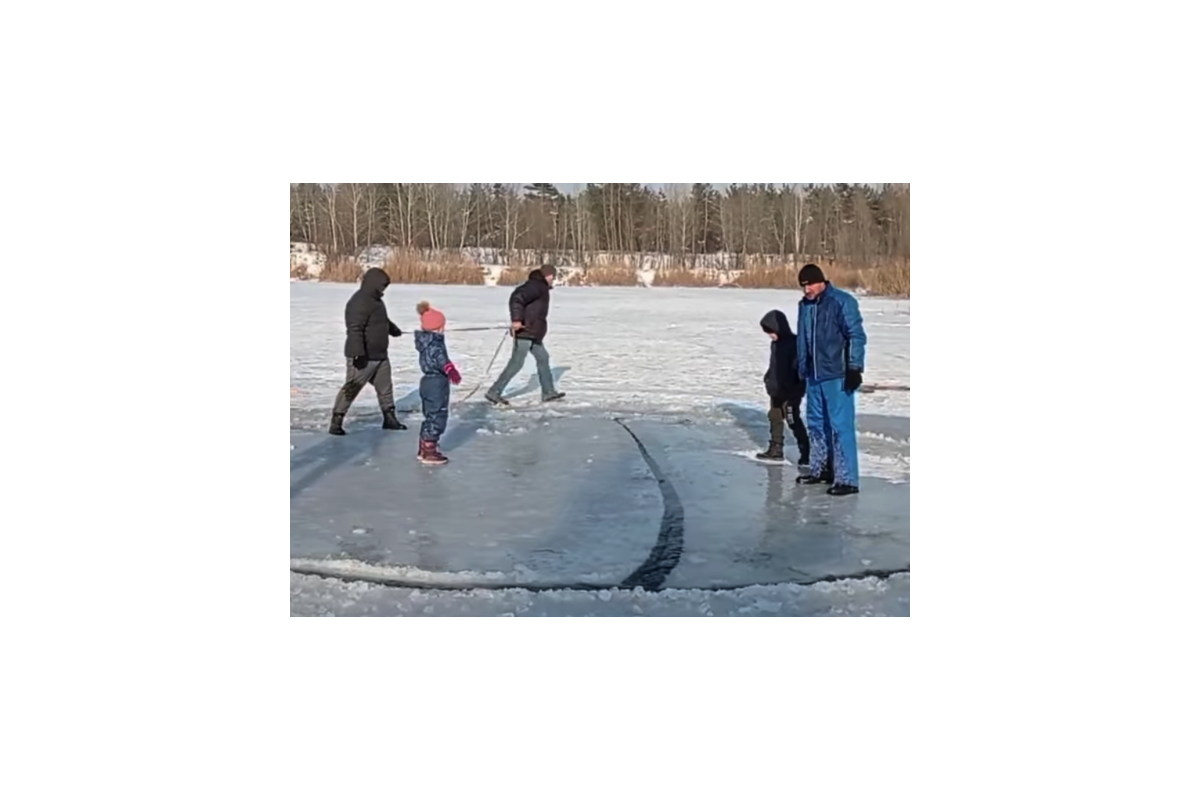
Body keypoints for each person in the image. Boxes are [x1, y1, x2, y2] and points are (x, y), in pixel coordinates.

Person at [794, 264, 867, 495]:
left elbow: (856, 335)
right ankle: (822, 469)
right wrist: (801, 366)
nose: (807, 290)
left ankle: (847, 479)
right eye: (803, 286)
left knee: (840, 425)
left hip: (837, 374)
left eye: (809, 284)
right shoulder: (804, 306)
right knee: (816, 423)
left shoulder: (841, 301)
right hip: (813, 375)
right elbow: (804, 339)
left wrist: (854, 367)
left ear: (821, 281)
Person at [329, 267, 406, 435]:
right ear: (374, 284)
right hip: (363, 356)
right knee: (352, 388)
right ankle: (336, 421)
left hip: (380, 355)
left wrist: (392, 329)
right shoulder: (359, 301)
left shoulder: (376, 300)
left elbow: (381, 320)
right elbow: (354, 329)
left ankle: (390, 419)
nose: (384, 289)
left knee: (385, 388)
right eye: (382, 286)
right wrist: (358, 354)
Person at [485, 265, 565, 405]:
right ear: (548, 275)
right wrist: (517, 320)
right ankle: (494, 391)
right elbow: (517, 298)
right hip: (525, 331)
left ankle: (548, 392)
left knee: (543, 358)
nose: (553, 279)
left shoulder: (540, 287)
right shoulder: (536, 286)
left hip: (533, 333)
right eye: (553, 276)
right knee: (516, 363)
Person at [756, 310, 811, 469]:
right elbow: (775, 366)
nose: (770, 335)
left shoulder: (794, 343)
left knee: (793, 420)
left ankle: (806, 452)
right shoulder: (776, 344)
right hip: (776, 390)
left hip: (791, 391)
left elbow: (798, 368)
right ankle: (775, 449)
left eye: (770, 331)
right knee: (774, 417)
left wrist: (794, 386)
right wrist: (768, 378)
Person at [412, 300, 461, 465]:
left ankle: (423, 447)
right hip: (436, 382)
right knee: (438, 415)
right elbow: (441, 359)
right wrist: (450, 369)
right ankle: (429, 450)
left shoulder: (425, 342)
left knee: (429, 415)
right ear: (438, 328)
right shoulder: (436, 344)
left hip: (427, 381)